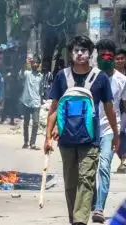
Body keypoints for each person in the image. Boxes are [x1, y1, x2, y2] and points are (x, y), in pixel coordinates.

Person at [45, 35, 119, 225]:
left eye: (84, 50)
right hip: (66, 140)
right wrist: (47, 137)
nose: (80, 54)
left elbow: (109, 108)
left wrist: (115, 134)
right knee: (70, 182)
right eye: (76, 50)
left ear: (90, 53)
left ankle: (79, 221)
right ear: (70, 54)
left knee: (86, 179)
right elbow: (54, 108)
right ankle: (75, 218)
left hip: (90, 139)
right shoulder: (62, 77)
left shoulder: (100, 78)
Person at [91, 39, 126, 223]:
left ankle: (99, 208)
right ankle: (92, 200)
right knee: (88, 170)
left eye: (108, 56)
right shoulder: (91, 76)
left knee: (104, 166)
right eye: (101, 55)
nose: (104, 59)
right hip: (90, 129)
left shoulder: (122, 81)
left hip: (110, 130)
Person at [20, 56, 43, 150]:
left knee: (36, 123)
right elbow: (22, 71)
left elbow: (41, 89)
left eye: (36, 63)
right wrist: (26, 62)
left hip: (36, 102)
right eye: (33, 63)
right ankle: (25, 142)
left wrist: (41, 99)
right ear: (31, 64)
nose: (35, 64)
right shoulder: (27, 73)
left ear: (38, 65)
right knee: (26, 123)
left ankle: (32, 143)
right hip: (26, 101)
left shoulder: (41, 76)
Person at [116, 49, 126, 173]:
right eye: (117, 59)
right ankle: (123, 157)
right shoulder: (110, 75)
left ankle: (124, 159)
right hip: (114, 109)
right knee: (117, 134)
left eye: (122, 58)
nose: (119, 61)